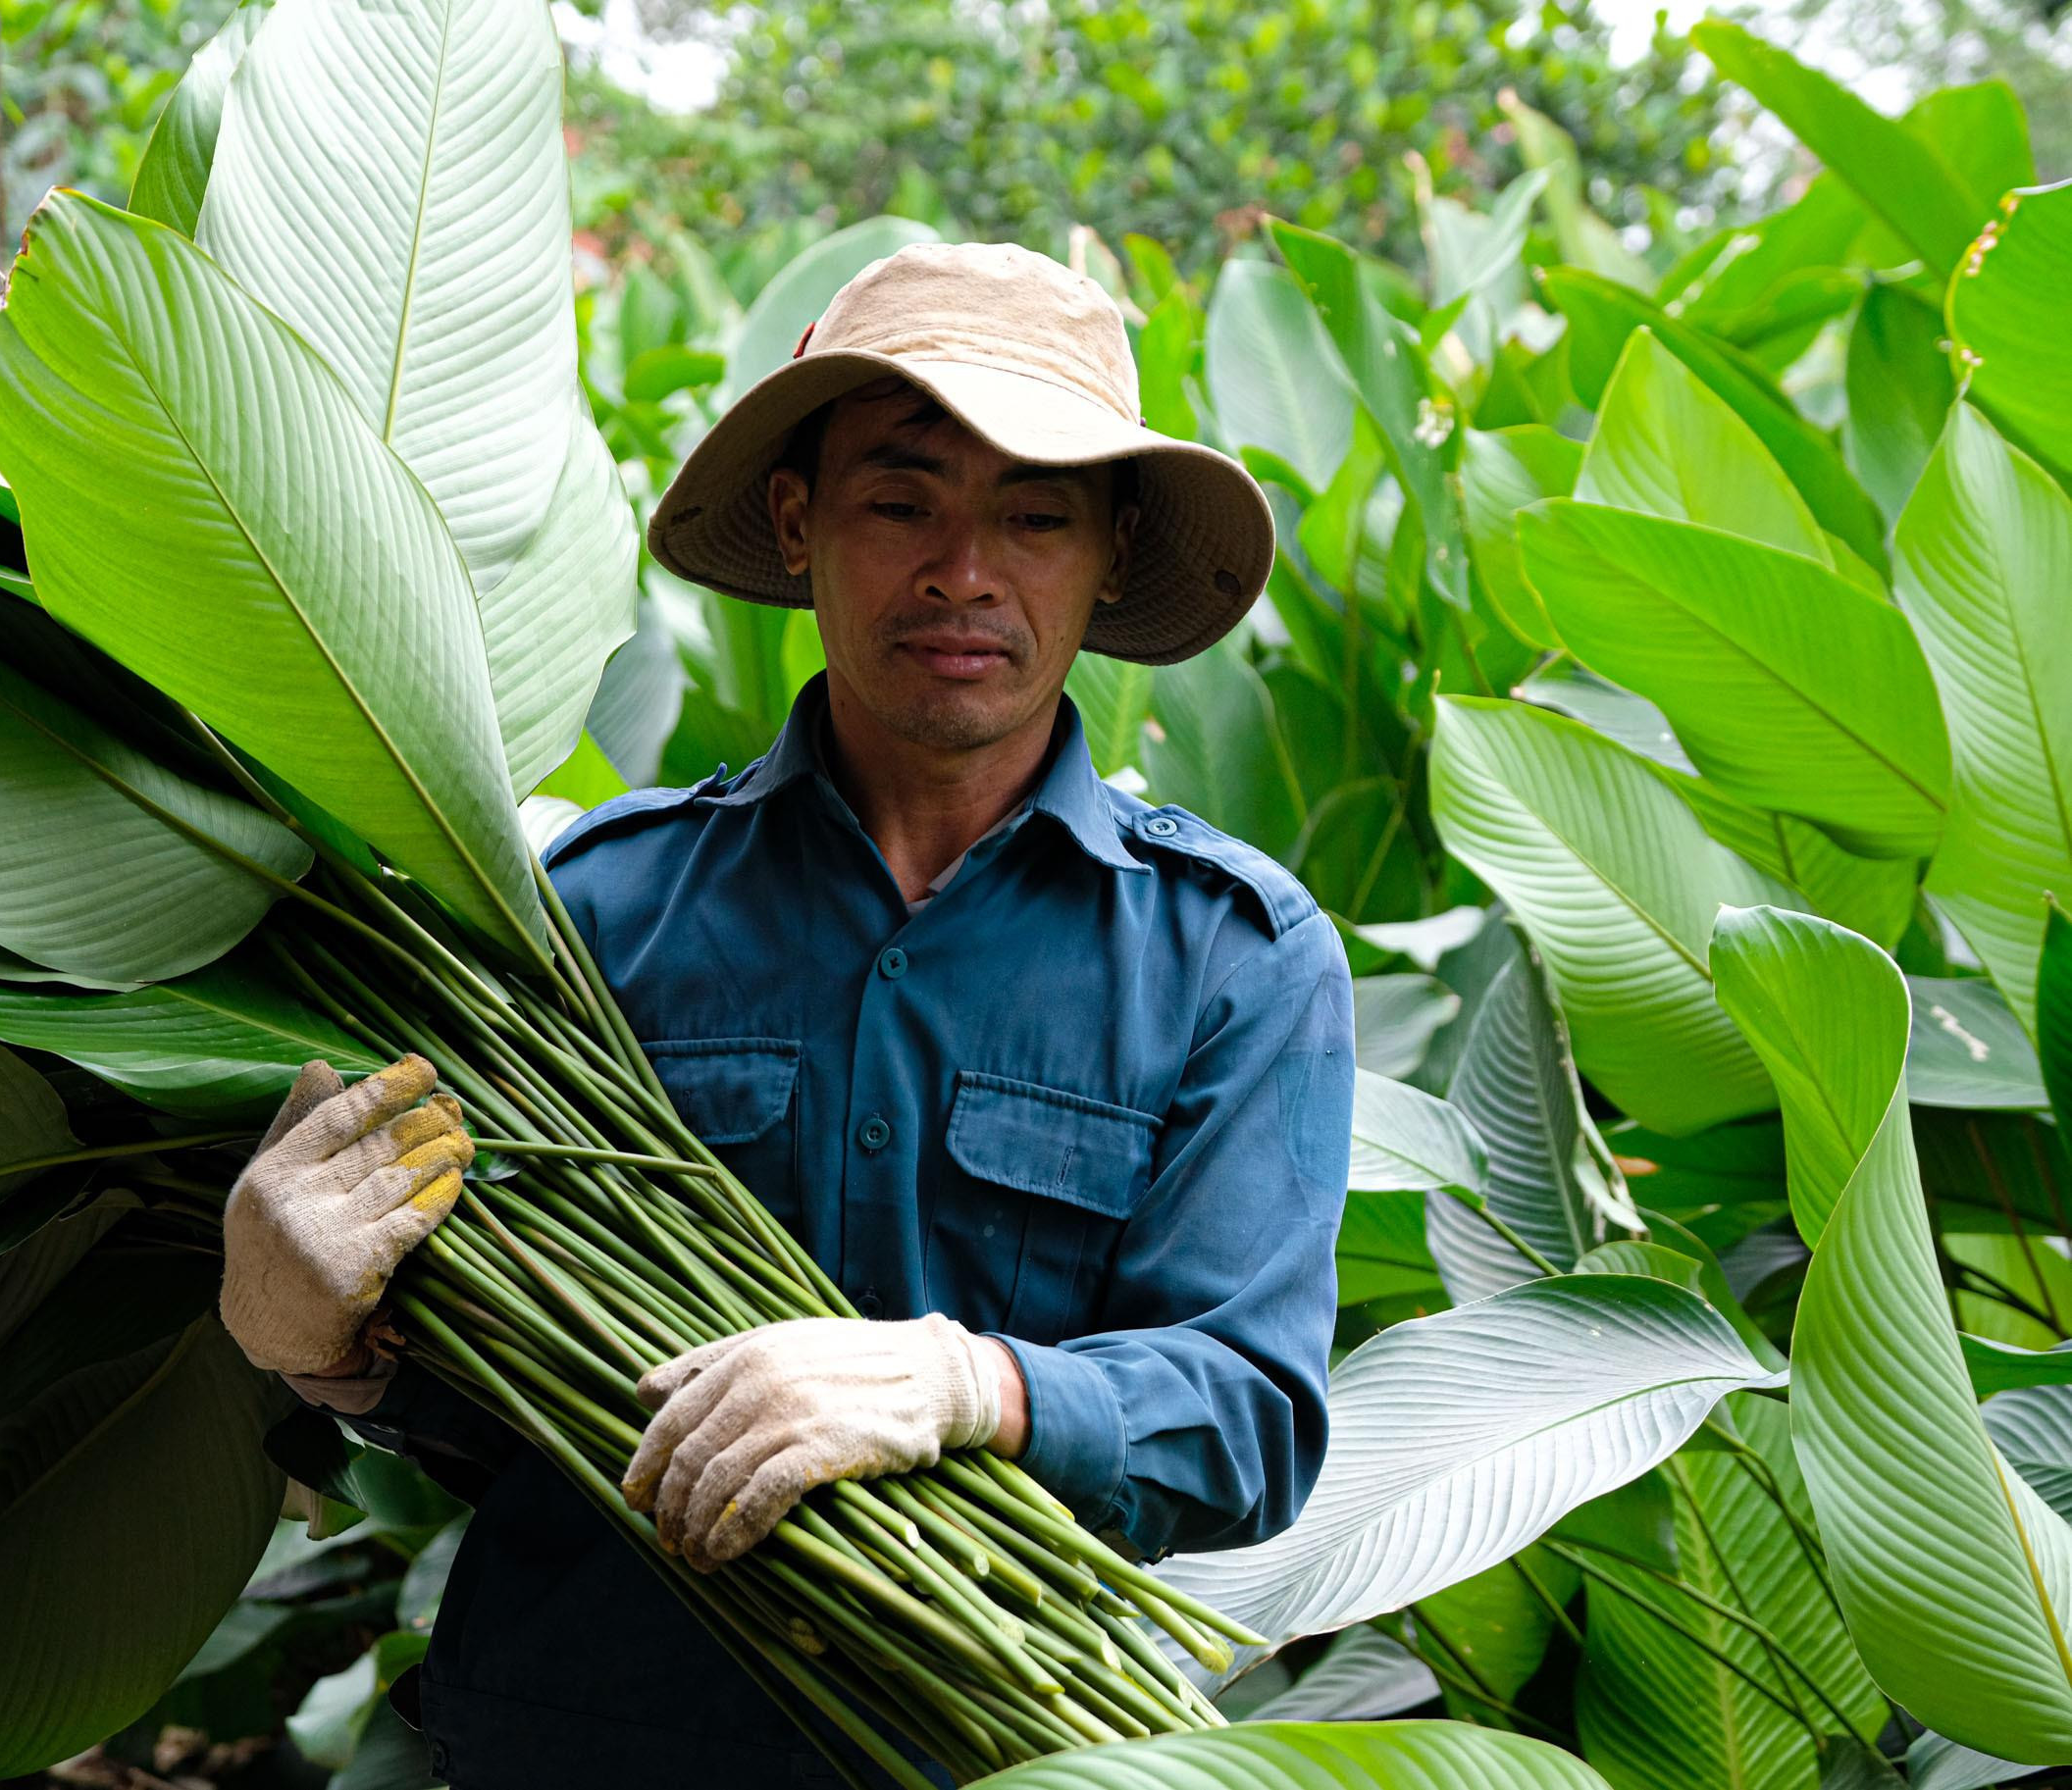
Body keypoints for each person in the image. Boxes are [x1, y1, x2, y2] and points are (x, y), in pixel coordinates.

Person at [218, 240, 1355, 1788]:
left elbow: (1249, 1419)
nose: (964, 571)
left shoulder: (1233, 953)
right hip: (578, 1747)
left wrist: (971, 1385)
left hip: (990, 1752)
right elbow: (493, 1402)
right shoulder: (587, 917)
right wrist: (315, 1339)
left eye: (1033, 515)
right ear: (795, 515)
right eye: (902, 501)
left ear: (1107, 554)